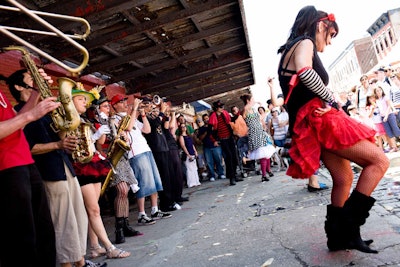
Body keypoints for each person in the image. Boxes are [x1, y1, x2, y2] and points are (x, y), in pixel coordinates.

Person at [277, 6, 389, 253]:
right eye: (329, 36)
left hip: (313, 120)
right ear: (320, 26)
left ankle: (337, 238)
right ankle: (348, 229)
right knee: (379, 162)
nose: (327, 44)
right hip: (321, 119)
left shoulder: (289, 49)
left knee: (344, 178)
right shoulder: (304, 42)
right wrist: (332, 99)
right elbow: (306, 73)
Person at [7, 69, 107, 267]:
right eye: (31, 79)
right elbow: (28, 147)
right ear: (19, 87)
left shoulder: (46, 110)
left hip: (65, 167)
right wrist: (57, 145)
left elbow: (60, 138)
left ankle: (81, 261)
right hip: (48, 172)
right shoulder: (19, 114)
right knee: (62, 223)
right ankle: (68, 264)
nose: (38, 81)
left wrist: (67, 135)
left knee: (78, 218)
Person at [0, 69, 58, 267]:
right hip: (6, 167)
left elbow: (18, 123)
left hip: (24, 162)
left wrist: (35, 93)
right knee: (23, 237)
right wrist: (31, 115)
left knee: (44, 231)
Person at [70, 88, 130, 259]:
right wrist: (95, 137)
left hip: (92, 162)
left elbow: (95, 143)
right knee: (94, 209)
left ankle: (95, 246)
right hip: (80, 165)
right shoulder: (70, 120)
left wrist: (97, 137)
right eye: (80, 99)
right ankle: (109, 248)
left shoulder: (84, 119)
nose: (85, 102)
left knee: (94, 209)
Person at [111, 94, 172, 225]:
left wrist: (143, 113)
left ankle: (155, 209)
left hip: (146, 150)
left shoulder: (130, 116)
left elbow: (147, 129)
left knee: (154, 181)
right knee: (143, 183)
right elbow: (127, 127)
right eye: (121, 102)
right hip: (135, 153)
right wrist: (135, 109)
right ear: (115, 105)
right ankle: (141, 214)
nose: (125, 103)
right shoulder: (115, 118)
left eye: (125, 101)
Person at [95, 95, 142, 244]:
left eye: (107, 106)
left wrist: (123, 137)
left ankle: (125, 225)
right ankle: (118, 228)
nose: (107, 109)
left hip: (121, 157)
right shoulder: (96, 122)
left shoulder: (112, 120)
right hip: (109, 158)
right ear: (97, 109)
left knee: (125, 192)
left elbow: (125, 131)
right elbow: (98, 145)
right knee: (121, 190)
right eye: (104, 107)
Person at [240, 94, 275, 182]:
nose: (254, 100)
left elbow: (260, 118)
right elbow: (246, 112)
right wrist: (257, 103)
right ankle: (264, 174)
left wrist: (266, 109)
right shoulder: (246, 110)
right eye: (252, 99)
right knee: (263, 154)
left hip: (260, 132)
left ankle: (267, 171)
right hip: (254, 133)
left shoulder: (253, 109)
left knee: (266, 154)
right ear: (248, 100)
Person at [209, 100, 241, 185]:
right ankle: (231, 178)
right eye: (220, 107)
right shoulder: (213, 116)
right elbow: (210, 131)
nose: (222, 108)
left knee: (234, 157)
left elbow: (231, 120)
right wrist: (214, 141)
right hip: (222, 140)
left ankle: (234, 175)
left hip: (230, 138)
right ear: (216, 108)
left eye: (222, 106)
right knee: (229, 157)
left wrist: (238, 114)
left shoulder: (225, 113)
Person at [197, 113, 225, 181]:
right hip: (207, 147)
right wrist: (206, 132)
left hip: (216, 146)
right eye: (205, 119)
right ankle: (212, 175)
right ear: (203, 120)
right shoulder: (201, 128)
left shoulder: (214, 126)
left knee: (218, 160)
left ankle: (221, 174)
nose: (206, 120)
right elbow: (200, 138)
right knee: (209, 162)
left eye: (207, 118)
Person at [374, 85, 400, 152]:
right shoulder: (377, 100)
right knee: (389, 132)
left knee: (395, 129)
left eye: (380, 90)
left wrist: (386, 115)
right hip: (383, 117)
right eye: (377, 91)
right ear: (375, 92)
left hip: (389, 115)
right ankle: (394, 147)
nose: (379, 92)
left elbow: (389, 106)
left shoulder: (385, 97)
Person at [179, 123, 201, 188]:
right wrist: (188, 154)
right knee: (189, 169)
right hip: (187, 154)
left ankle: (196, 181)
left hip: (192, 153)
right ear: (180, 129)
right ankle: (191, 183)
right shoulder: (181, 137)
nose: (183, 128)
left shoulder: (188, 136)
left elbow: (192, 145)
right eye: (182, 127)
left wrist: (195, 152)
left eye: (184, 126)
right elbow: (183, 146)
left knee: (194, 168)